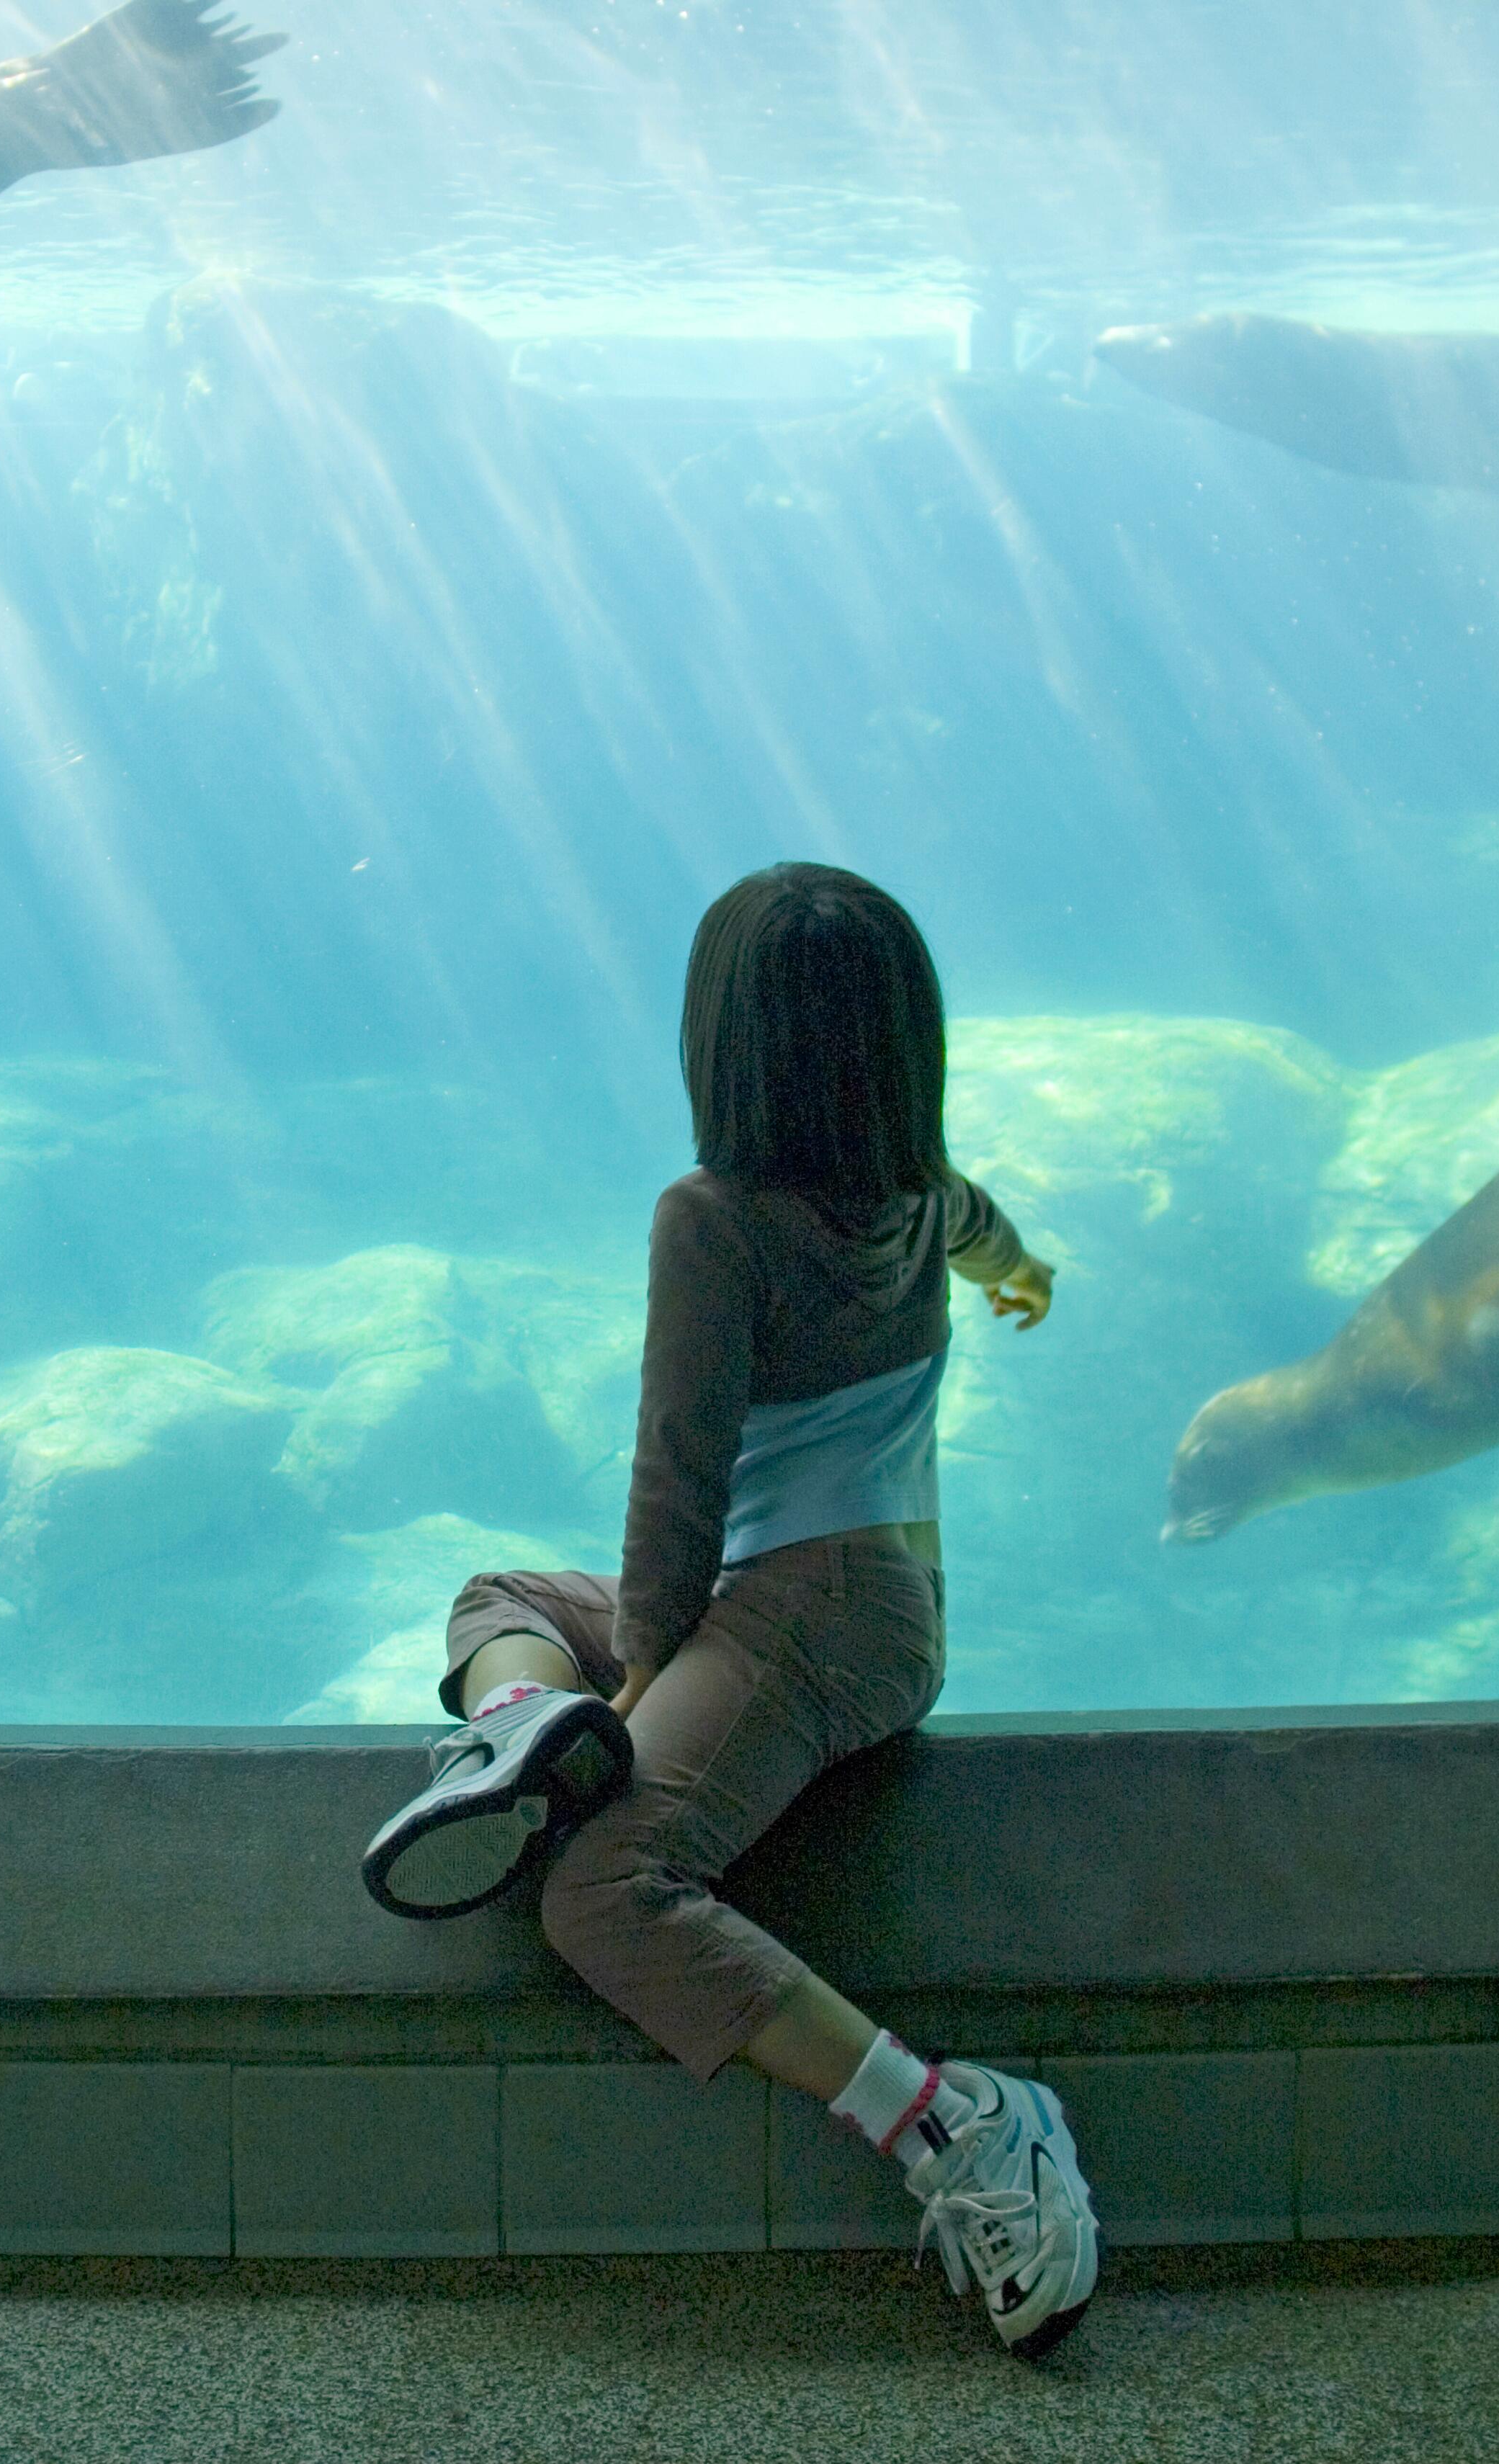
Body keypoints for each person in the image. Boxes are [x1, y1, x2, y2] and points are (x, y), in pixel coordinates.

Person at [359, 861, 1099, 2357]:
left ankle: (957, 2121)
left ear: (724, 1046)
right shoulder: (913, 1187)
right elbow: (981, 1221)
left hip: (804, 1606)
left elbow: (678, 1481)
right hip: (875, 1596)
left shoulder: (711, 1219)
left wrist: (638, 1681)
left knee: (599, 1890)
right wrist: (1019, 1274)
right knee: (502, 1590)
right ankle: (519, 1731)